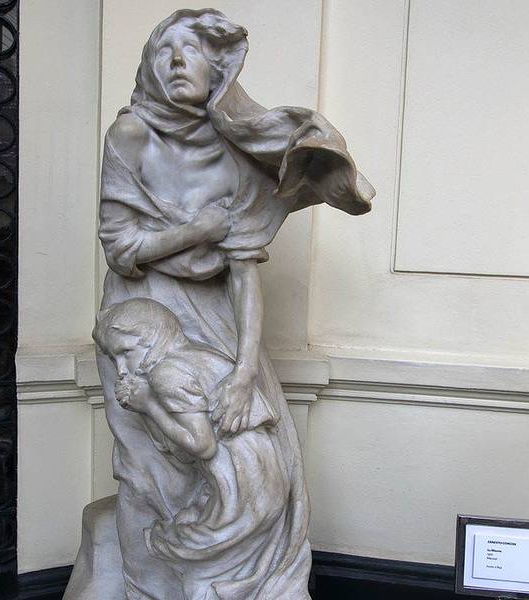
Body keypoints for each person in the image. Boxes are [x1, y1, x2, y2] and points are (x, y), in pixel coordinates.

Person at [94, 8, 374, 600]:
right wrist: (197, 230)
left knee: (249, 443)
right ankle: (151, 583)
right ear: (149, 67)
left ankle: (240, 579)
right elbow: (121, 248)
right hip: (141, 310)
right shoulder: (130, 135)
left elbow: (244, 272)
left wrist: (245, 372)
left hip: (218, 311)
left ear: (218, 70)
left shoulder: (234, 153)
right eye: (164, 51)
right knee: (149, 463)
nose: (177, 62)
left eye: (192, 51)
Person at [93, 298, 289, 599]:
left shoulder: (167, 373)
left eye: (125, 353)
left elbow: (203, 445)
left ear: (152, 339)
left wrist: (149, 406)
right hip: (261, 480)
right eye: (113, 357)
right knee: (202, 550)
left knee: (195, 569)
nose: (120, 369)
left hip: (243, 491)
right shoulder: (200, 355)